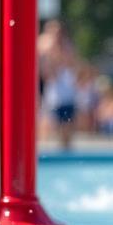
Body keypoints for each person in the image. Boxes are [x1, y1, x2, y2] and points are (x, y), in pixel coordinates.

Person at [38, 19, 80, 151]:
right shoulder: (44, 46)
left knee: (67, 125)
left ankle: (66, 150)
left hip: (66, 92)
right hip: (52, 93)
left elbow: (71, 65)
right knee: (47, 123)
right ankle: (44, 152)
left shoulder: (67, 47)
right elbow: (46, 71)